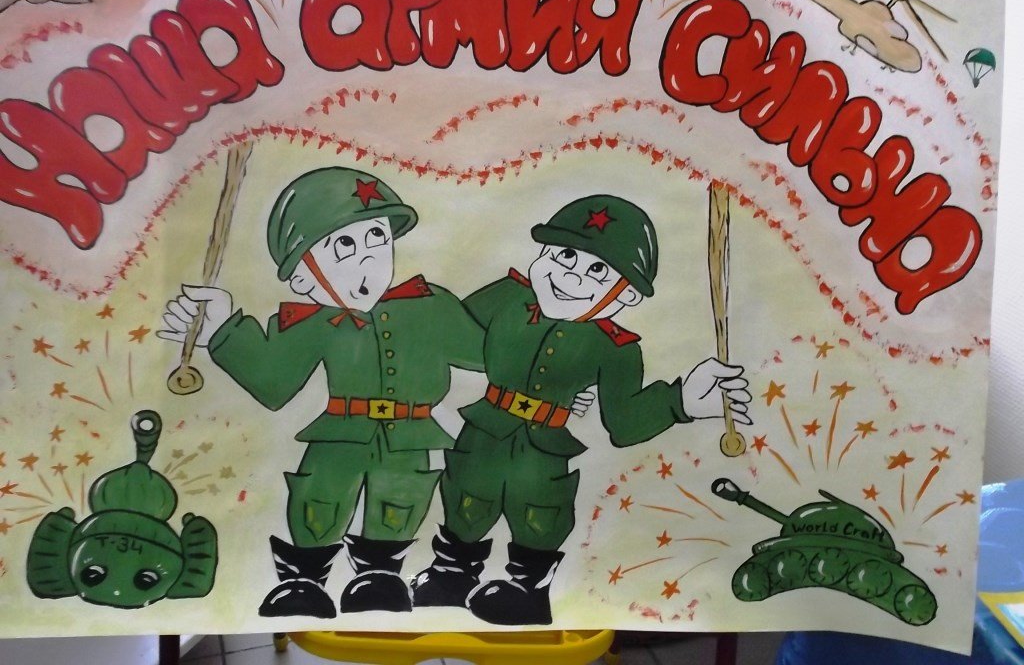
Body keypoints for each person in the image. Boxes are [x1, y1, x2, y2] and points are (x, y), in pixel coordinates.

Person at [158, 167, 485, 618]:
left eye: (376, 236)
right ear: (303, 278)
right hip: (339, 435)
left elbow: (492, 356)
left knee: (401, 501)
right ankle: (305, 581)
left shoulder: (432, 307)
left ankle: (381, 577)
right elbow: (272, 382)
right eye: (343, 244)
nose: (367, 256)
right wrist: (223, 329)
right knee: (319, 501)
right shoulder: (312, 324)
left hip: (411, 437)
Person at [411, 194, 752, 625]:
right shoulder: (507, 298)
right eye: (566, 255)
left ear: (627, 295)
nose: (571, 275)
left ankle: (527, 590)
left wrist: (680, 400)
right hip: (484, 431)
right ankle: (451, 573)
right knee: (466, 497)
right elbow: (455, 336)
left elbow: (624, 423)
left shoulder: (616, 349)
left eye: (597, 270)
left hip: (545, 445)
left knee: (540, 513)